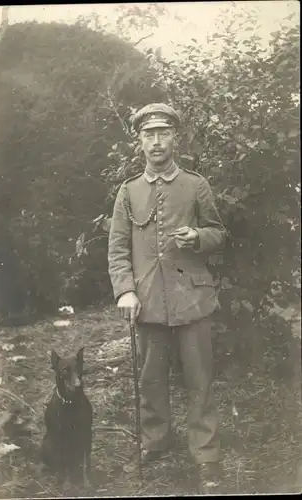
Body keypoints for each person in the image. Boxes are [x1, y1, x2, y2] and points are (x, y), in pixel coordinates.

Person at [108, 103, 226, 492]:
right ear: (139, 141)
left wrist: (199, 238)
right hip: (148, 301)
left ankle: (206, 454)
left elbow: (218, 232)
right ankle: (155, 443)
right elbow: (118, 249)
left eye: (163, 133)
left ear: (175, 137)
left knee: (199, 379)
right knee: (151, 378)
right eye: (148, 134)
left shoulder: (196, 186)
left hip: (191, 298)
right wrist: (125, 290)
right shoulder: (128, 192)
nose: (156, 141)